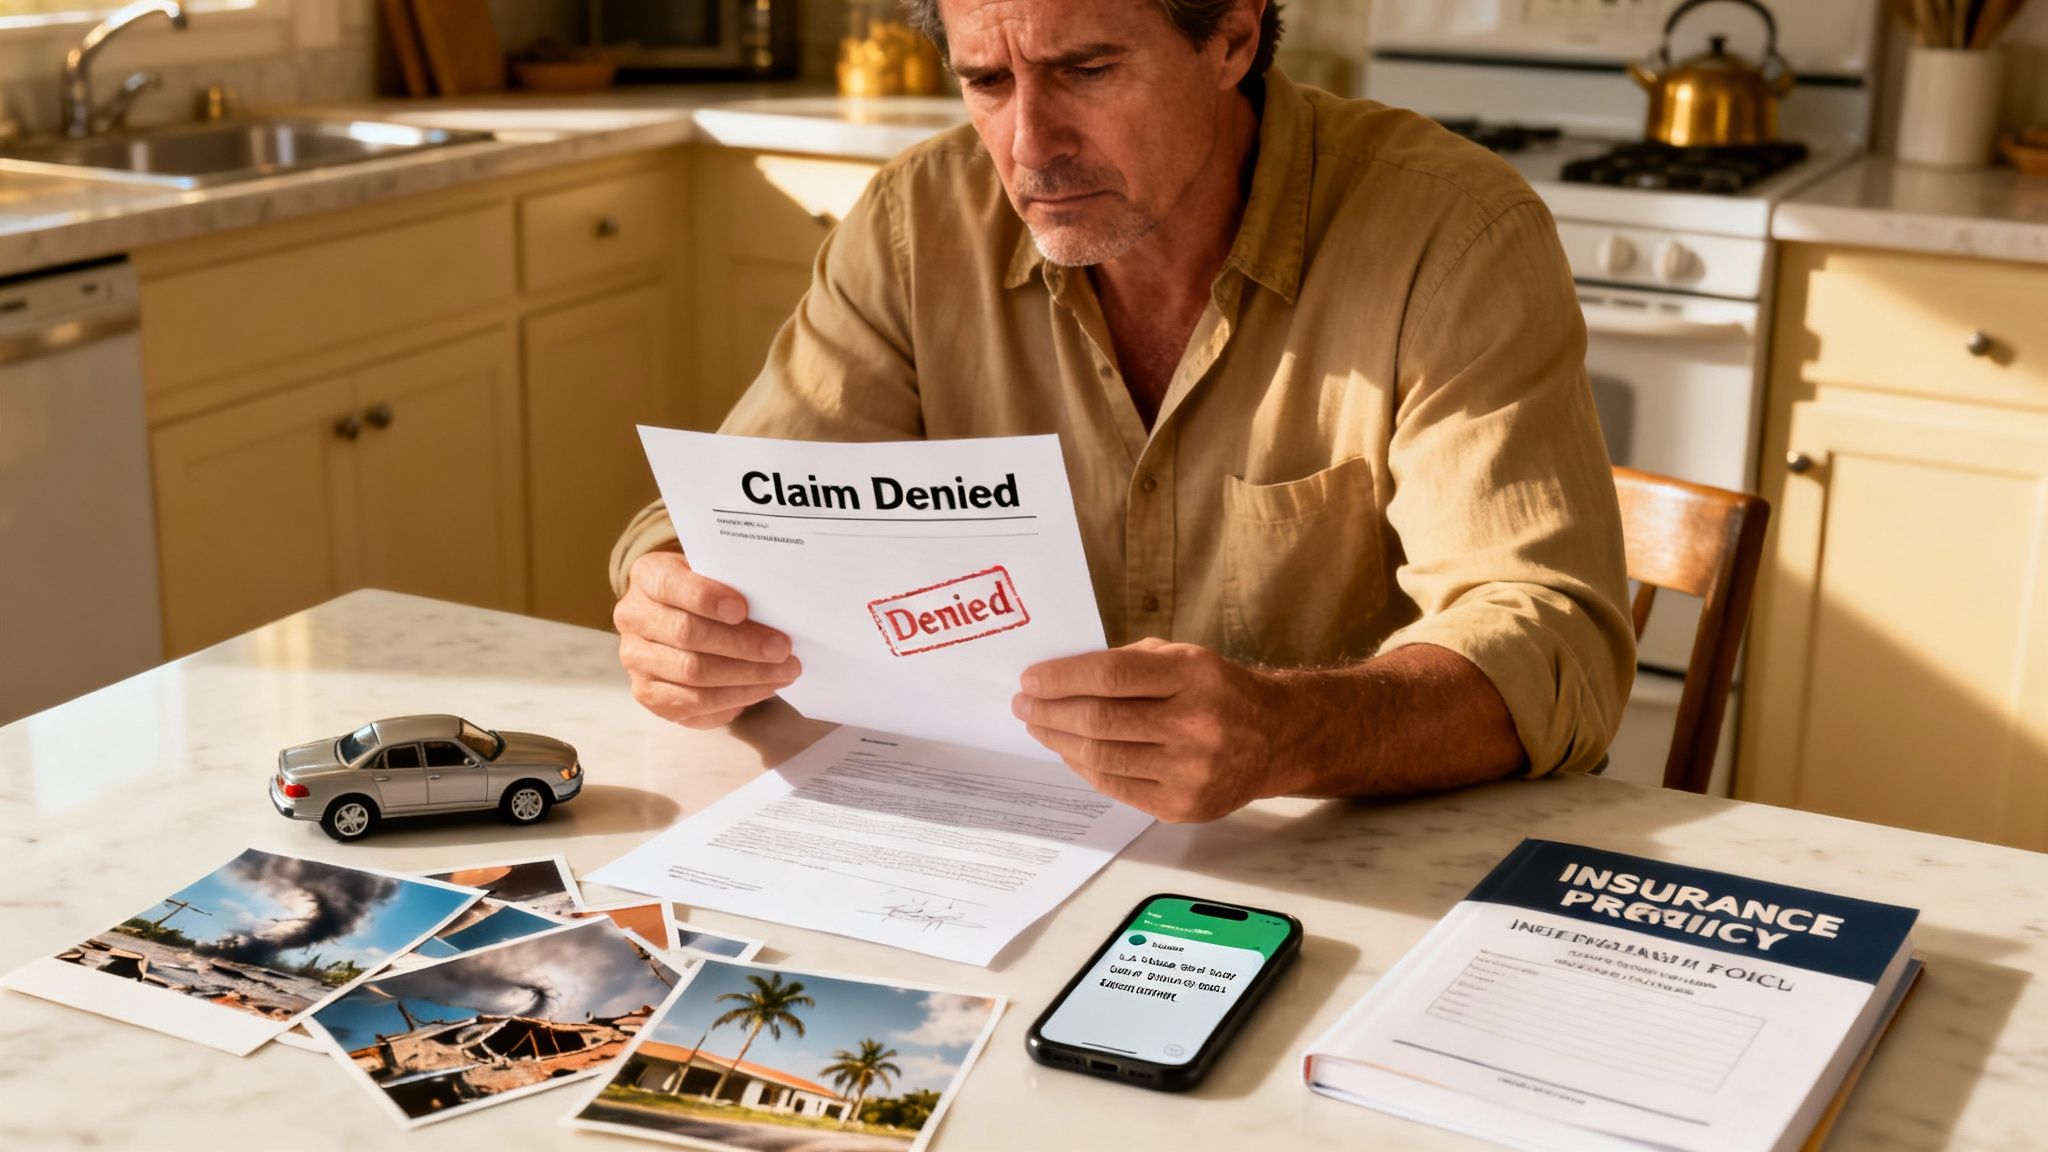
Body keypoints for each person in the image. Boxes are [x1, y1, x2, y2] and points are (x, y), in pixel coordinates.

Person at [610, 0, 1635, 823]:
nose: (1027, 148)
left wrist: (1288, 730)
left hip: (1333, 863)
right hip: (989, 844)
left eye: (1086, 71)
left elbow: (1553, 646)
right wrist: (678, 607)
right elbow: (737, 511)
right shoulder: (914, 222)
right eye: (986, 81)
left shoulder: (1450, 233)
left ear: (1231, 37)